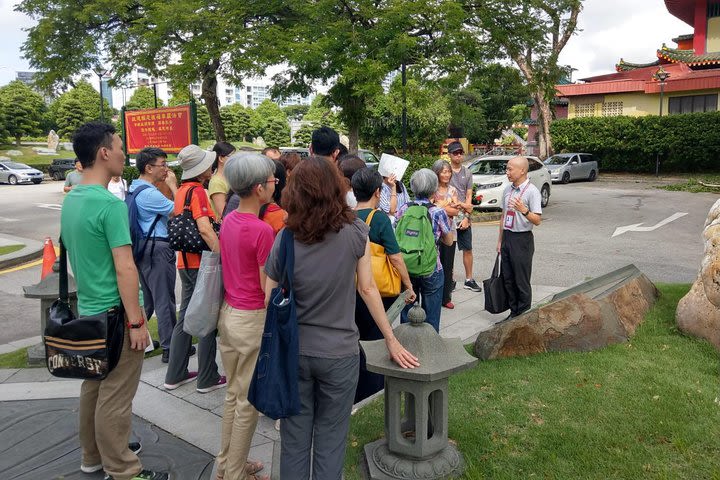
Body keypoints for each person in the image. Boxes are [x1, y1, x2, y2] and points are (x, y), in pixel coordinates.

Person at [265, 156, 419, 480]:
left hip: (294, 352)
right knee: (331, 440)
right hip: (340, 353)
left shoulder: (286, 237)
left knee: (293, 440)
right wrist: (390, 339)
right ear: (338, 188)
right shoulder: (355, 232)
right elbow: (367, 289)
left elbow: (269, 298)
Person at [63, 122, 167, 480]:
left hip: (89, 311)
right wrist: (137, 321)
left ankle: (93, 456)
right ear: (104, 152)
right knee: (116, 396)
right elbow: (125, 267)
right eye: (120, 147)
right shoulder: (108, 204)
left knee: (93, 386)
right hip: (116, 315)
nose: (126, 154)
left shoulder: (73, 198)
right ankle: (123, 469)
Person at [215, 152, 276, 480]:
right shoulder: (262, 231)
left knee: (233, 397)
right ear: (258, 188)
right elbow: (268, 289)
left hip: (228, 315)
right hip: (252, 319)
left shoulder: (229, 220)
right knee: (247, 403)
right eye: (271, 180)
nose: (274, 184)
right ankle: (235, 473)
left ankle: (227, 465)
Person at [164, 144, 226, 393]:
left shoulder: (181, 191)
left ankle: (175, 373)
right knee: (206, 318)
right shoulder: (198, 191)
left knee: (186, 317)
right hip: (201, 264)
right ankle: (207, 377)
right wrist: (221, 256)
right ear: (200, 171)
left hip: (184, 262)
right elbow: (204, 228)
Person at [351, 167, 416, 403]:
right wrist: (408, 285)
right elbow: (395, 257)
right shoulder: (378, 218)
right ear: (378, 192)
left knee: (356, 341)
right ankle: (372, 394)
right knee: (376, 342)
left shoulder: (345, 216)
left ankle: (354, 389)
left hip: (351, 291)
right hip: (378, 292)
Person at [128, 147, 179, 363]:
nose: (166, 169)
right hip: (157, 249)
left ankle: (140, 339)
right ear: (149, 168)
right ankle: (171, 348)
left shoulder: (135, 188)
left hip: (144, 250)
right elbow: (178, 209)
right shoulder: (149, 193)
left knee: (148, 300)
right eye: (163, 164)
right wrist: (174, 186)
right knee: (164, 300)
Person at [396, 168, 454, 332]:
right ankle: (430, 346)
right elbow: (449, 241)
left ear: (413, 188)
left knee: (406, 311)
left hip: (406, 267)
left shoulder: (404, 208)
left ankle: (406, 345)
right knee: (432, 314)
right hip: (431, 268)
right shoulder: (437, 211)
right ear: (434, 189)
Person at [497, 156, 542, 321]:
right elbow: (503, 217)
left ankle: (523, 315)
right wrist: (500, 241)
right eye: (507, 169)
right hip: (508, 236)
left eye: (510, 169)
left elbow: (537, 220)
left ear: (522, 170)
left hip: (522, 239)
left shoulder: (532, 191)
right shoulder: (507, 190)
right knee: (508, 278)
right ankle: (513, 312)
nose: (507, 172)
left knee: (521, 280)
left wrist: (524, 210)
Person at [446, 141, 482, 293]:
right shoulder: (445, 171)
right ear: (449, 155)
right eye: (455, 153)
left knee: (467, 248)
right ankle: (450, 280)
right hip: (448, 214)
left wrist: (467, 217)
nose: (459, 155)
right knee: (449, 249)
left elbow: (469, 197)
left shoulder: (467, 173)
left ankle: (469, 279)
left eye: (460, 152)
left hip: (463, 215)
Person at [432, 160, 461, 309]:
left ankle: (446, 297)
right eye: (443, 171)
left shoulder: (453, 190)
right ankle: (434, 296)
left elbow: (456, 211)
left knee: (448, 265)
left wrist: (440, 206)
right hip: (434, 233)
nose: (447, 174)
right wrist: (447, 207)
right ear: (436, 172)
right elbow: (431, 207)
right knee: (434, 265)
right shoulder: (432, 189)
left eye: (448, 171)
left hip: (450, 232)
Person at [208, 141, 237, 219]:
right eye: (232, 156)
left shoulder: (231, 178)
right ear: (221, 158)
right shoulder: (216, 182)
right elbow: (223, 213)